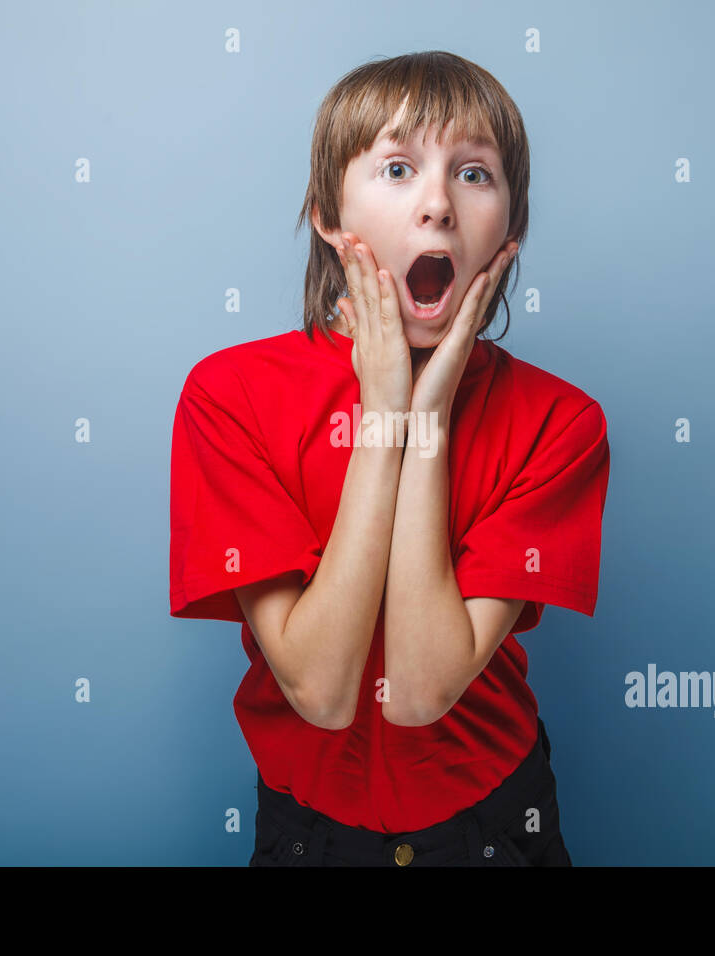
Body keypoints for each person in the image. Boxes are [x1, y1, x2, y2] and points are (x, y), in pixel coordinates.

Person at [169, 51, 610, 866]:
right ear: (329, 216)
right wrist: (383, 420)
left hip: (493, 827)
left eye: (474, 173)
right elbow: (323, 693)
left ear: (508, 231)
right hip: (307, 832)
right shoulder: (227, 396)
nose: (438, 204)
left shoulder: (562, 423)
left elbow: (417, 693)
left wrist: (427, 419)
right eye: (398, 167)